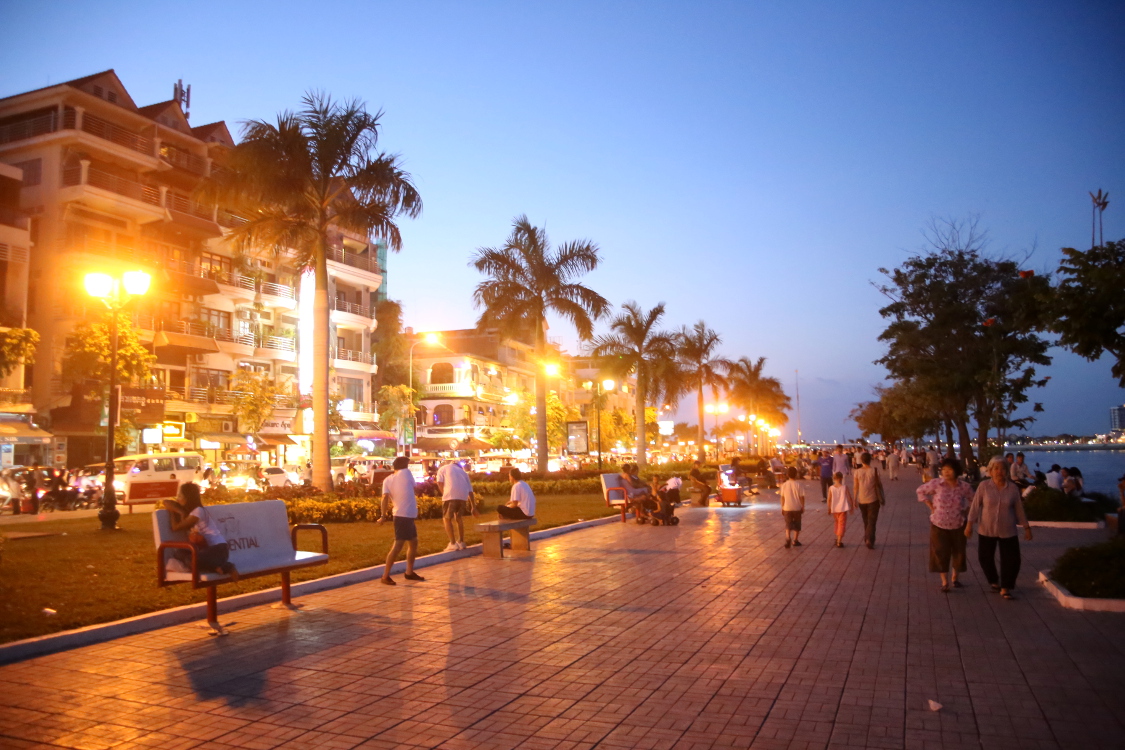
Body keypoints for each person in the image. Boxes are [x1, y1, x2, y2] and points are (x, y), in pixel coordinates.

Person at [965, 457, 1032, 600]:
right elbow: (975, 506)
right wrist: (969, 525)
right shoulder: (984, 486)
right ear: (990, 471)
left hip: (1008, 529)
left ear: (1007, 471)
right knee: (985, 558)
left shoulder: (1013, 488)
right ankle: (994, 580)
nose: (999, 472)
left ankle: (1006, 587)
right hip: (986, 528)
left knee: (1012, 560)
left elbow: (1019, 509)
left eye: (1002, 469)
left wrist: (1026, 527)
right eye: (996, 469)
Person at [163, 482, 239, 581]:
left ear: (188, 498)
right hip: (205, 551)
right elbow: (166, 502)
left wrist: (177, 512)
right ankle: (216, 567)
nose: (178, 498)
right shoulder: (190, 510)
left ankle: (227, 566)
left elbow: (175, 527)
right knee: (178, 553)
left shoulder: (198, 512)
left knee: (191, 560)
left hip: (218, 550)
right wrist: (177, 510)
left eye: (180, 496)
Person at [917, 458, 973, 592]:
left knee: (958, 552)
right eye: (944, 470)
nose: (946, 472)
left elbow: (974, 499)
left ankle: (955, 577)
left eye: (950, 470)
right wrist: (929, 503)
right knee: (940, 552)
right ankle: (944, 581)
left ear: (956, 471)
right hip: (938, 524)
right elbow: (920, 490)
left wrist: (967, 511)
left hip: (958, 524)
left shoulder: (964, 486)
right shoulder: (937, 484)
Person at [377, 456, 424, 585]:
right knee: (398, 545)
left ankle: (409, 572)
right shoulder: (406, 473)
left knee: (413, 542)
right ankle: (385, 576)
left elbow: (384, 498)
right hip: (404, 515)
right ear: (404, 466)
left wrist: (383, 515)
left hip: (403, 515)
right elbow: (415, 487)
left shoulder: (388, 480)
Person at [437, 459, 475, 552]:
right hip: (463, 496)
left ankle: (453, 543)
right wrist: (473, 506)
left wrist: (444, 494)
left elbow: (439, 483)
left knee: (447, 518)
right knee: (458, 518)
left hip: (450, 495)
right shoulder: (463, 472)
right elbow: (470, 491)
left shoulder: (443, 468)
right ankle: (461, 541)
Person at [853, 452, 885, 549]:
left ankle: (868, 538)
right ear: (870, 460)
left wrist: (855, 499)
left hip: (861, 500)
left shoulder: (857, 472)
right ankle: (869, 539)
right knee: (872, 521)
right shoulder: (874, 471)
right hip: (873, 499)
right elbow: (879, 484)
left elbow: (855, 487)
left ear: (861, 460)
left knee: (866, 521)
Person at [826, 471, 855, 547]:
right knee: (841, 524)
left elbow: (829, 499)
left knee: (836, 523)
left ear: (834, 478)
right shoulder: (844, 487)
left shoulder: (831, 488)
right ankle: (839, 541)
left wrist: (828, 508)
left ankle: (837, 537)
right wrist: (851, 507)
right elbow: (849, 498)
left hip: (834, 509)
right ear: (841, 478)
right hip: (843, 509)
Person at [779, 467, 805, 548]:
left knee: (788, 524)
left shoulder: (784, 485)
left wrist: (782, 507)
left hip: (787, 507)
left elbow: (782, 497)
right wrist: (803, 506)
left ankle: (787, 538)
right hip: (797, 507)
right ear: (796, 474)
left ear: (787, 475)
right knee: (797, 524)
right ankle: (795, 540)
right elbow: (801, 497)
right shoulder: (798, 485)